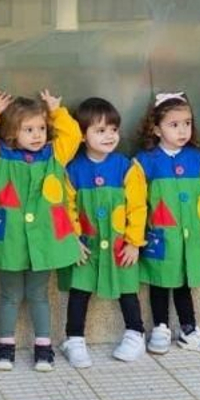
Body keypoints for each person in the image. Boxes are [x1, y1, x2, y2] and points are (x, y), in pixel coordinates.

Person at [0, 90, 82, 371]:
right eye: (28, 129)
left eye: (42, 128)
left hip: (44, 240)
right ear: (11, 132)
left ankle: (43, 346)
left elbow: (73, 136)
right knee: (9, 295)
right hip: (10, 240)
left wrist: (57, 111)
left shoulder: (54, 155)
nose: (37, 135)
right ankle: (5, 346)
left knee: (38, 294)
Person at [61, 98, 150, 368]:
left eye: (113, 129)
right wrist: (73, 240)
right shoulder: (73, 169)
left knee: (127, 290)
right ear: (82, 134)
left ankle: (136, 334)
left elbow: (137, 207)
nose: (109, 136)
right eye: (100, 131)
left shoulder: (126, 167)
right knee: (79, 291)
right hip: (85, 244)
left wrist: (134, 243)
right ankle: (74, 339)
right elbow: (67, 207)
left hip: (119, 243)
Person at [134, 92, 200, 355]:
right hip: (160, 236)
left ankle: (189, 329)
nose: (182, 130)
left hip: (192, 235)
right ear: (156, 128)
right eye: (174, 125)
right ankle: (160, 328)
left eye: (187, 123)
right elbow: (138, 203)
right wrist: (136, 237)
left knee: (185, 282)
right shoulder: (145, 161)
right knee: (160, 281)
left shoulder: (198, 159)